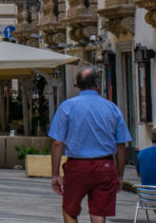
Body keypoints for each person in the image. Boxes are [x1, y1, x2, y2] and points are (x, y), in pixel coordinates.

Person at [48, 65, 131, 223]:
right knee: (99, 211)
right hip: (105, 165)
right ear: (98, 84)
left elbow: (58, 143)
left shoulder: (67, 106)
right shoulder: (112, 108)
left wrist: (55, 174)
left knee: (69, 209)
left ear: (78, 85)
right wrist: (120, 175)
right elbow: (121, 145)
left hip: (77, 166)